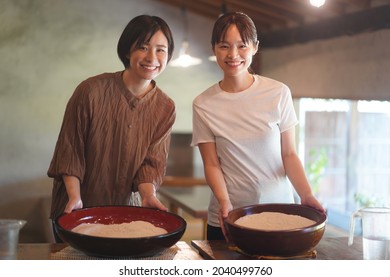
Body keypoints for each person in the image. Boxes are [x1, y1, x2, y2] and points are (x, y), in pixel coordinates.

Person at [191, 12, 325, 241]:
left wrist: (307, 194)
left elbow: (289, 154)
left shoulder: (278, 92)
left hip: (279, 215)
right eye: (224, 46)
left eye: (242, 46)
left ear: (255, 47)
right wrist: (224, 202)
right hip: (229, 217)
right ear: (214, 48)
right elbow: (211, 164)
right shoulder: (203, 104)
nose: (233, 55)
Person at [47, 15, 175, 242]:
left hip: (126, 214)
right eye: (143, 47)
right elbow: (70, 150)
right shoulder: (90, 91)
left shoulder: (165, 107)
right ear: (127, 51)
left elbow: (151, 163)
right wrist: (75, 196)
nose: (152, 58)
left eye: (161, 50)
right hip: (76, 210)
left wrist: (148, 195)